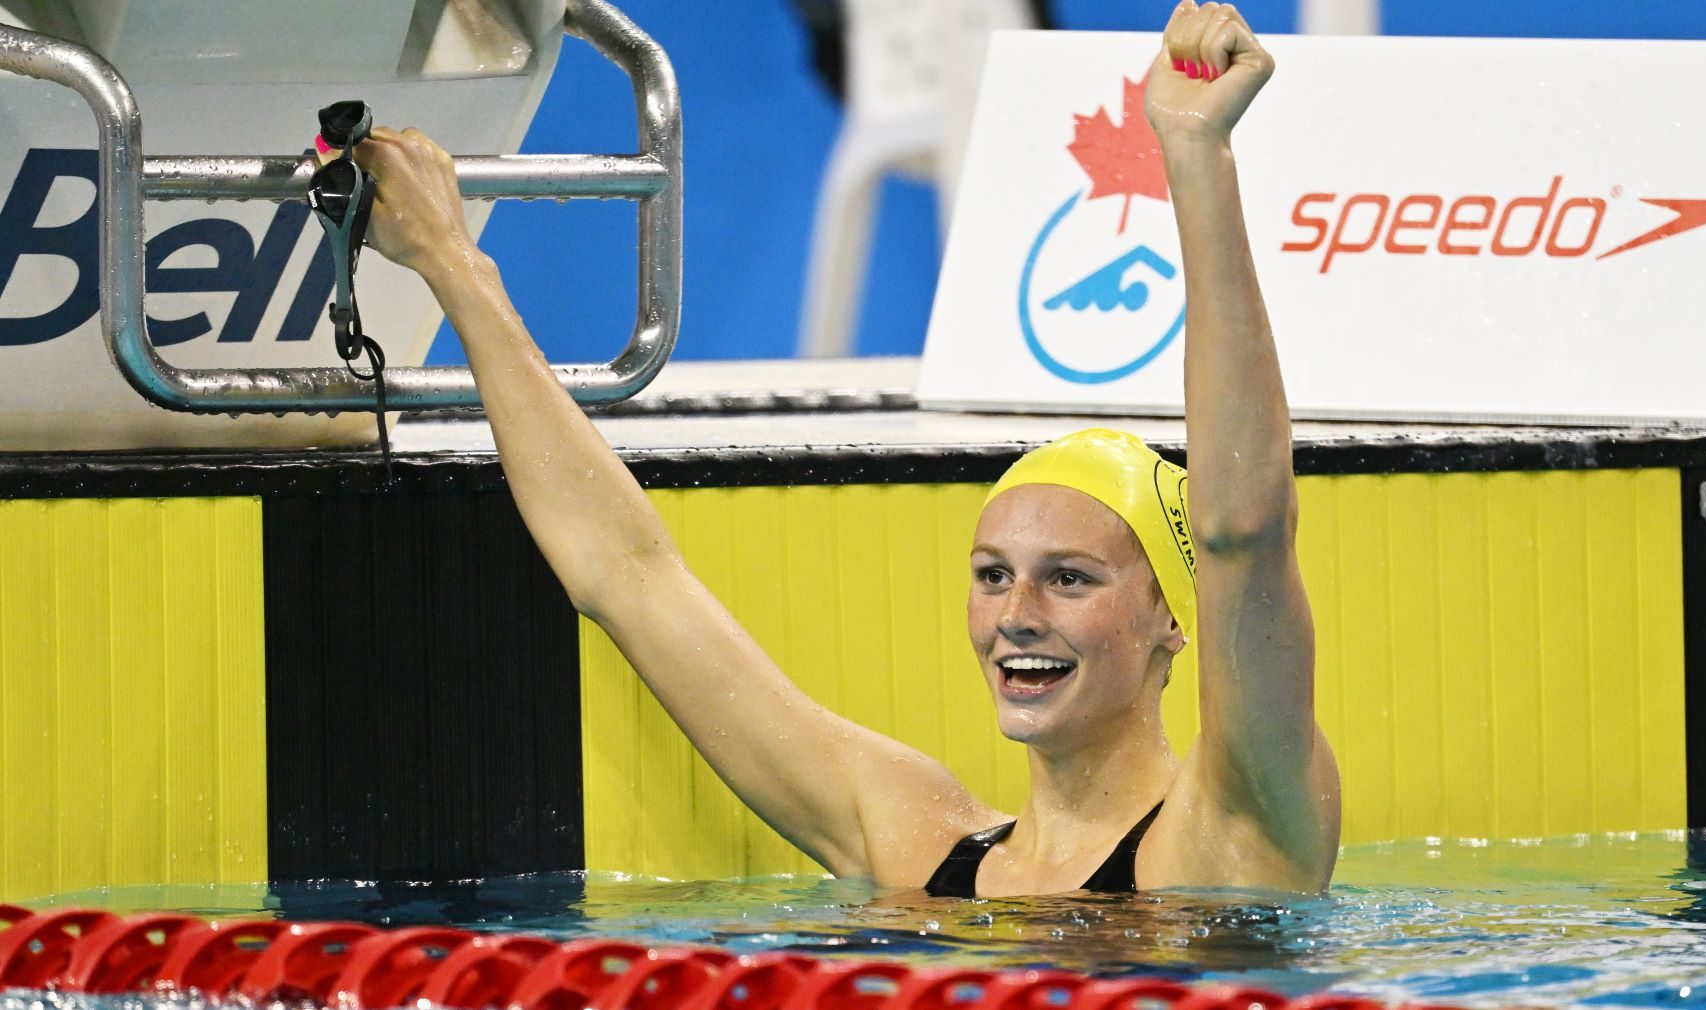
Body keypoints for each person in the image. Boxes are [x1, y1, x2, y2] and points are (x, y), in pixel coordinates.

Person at [350, 0, 1338, 897]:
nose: (1016, 617)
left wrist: (1195, 156)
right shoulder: (914, 841)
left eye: (1070, 578)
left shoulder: (1231, 836)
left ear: (1174, 616)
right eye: (993, 574)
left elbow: (1242, 530)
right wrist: (452, 261)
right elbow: (627, 574)